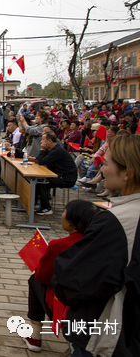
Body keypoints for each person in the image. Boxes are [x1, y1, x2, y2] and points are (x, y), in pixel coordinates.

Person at [52, 134, 140, 357]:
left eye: (107, 163)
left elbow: (76, 279)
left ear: (128, 173)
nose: (101, 169)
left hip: (108, 333)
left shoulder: (118, 222)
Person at [22, 200, 99, 353]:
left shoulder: (59, 245)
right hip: (91, 302)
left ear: (73, 222)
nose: (62, 216)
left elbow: (43, 277)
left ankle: (35, 336)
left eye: (64, 212)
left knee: (34, 280)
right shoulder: (97, 243)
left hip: (65, 303)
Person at [34, 132, 78, 216]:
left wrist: (42, 150)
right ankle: (34, 203)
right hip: (59, 174)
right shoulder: (51, 149)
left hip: (67, 178)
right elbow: (39, 160)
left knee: (42, 181)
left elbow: (40, 161)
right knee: (37, 180)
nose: (41, 142)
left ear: (49, 141)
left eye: (43, 140)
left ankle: (46, 208)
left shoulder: (57, 150)